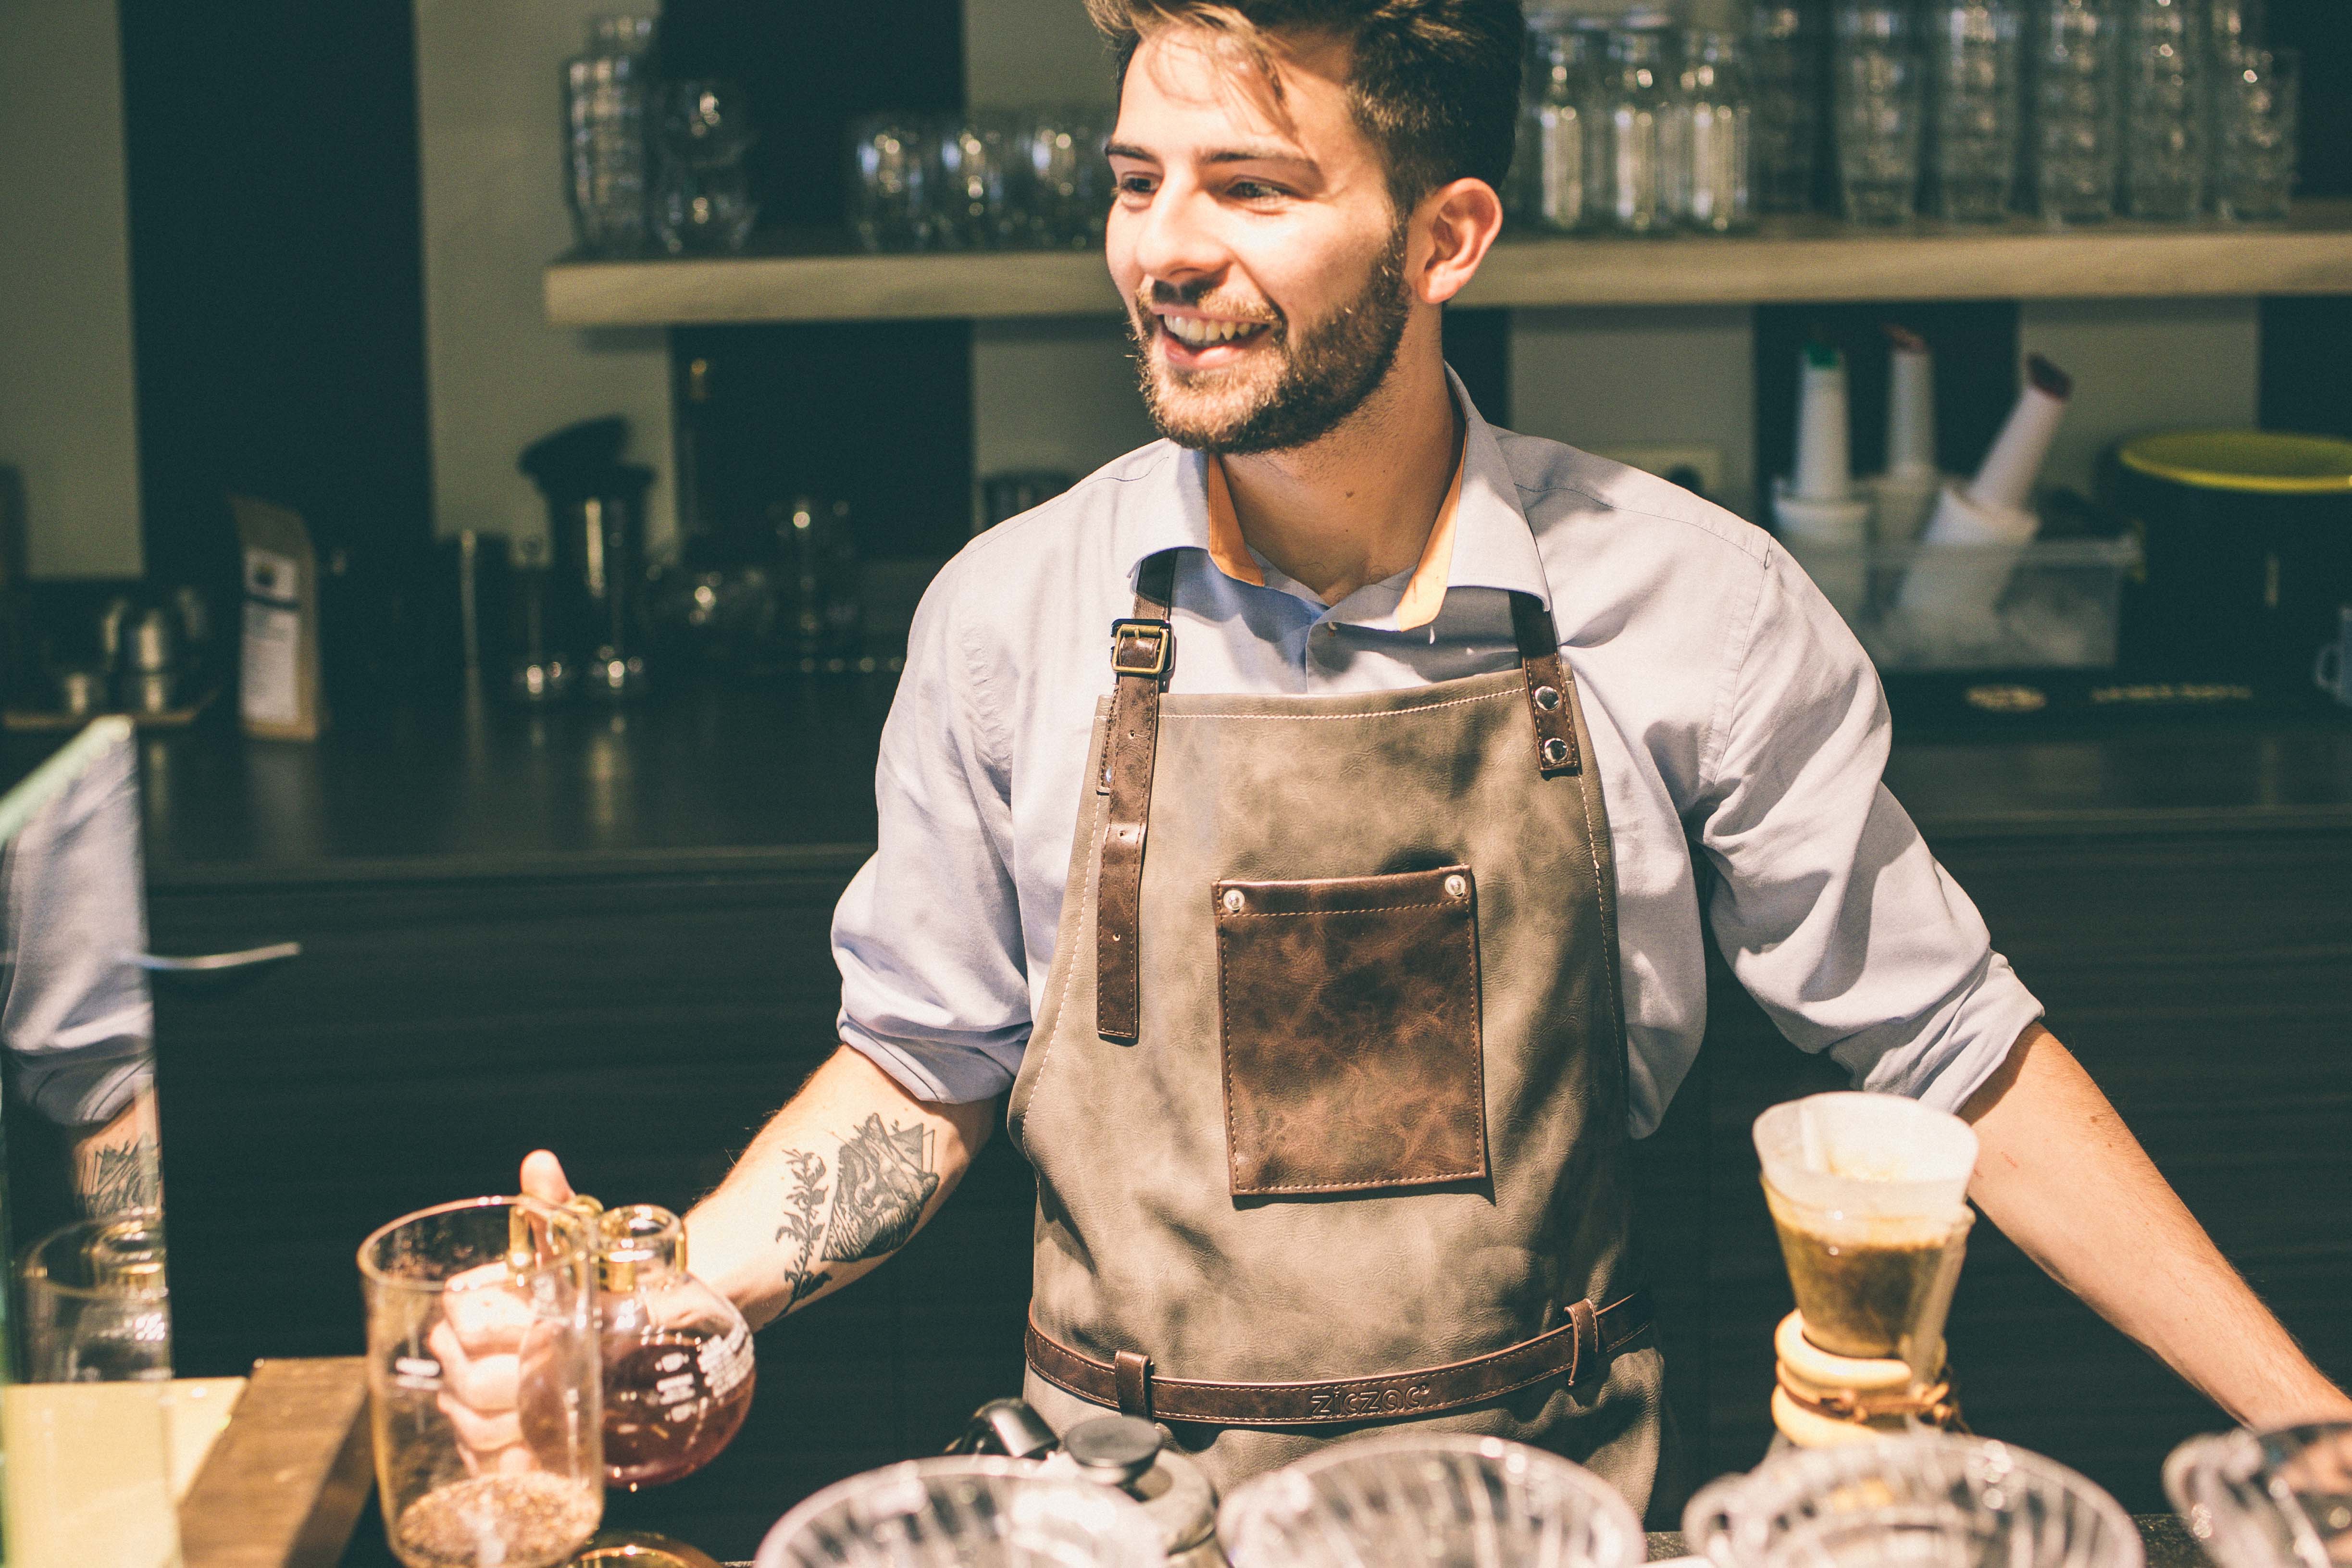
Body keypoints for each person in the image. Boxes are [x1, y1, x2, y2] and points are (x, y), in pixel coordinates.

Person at [471, 0, 2349, 1516]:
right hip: (1107, 1517)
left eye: (1252, 188)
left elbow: (1953, 1057)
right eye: (1137, 184)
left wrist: (2309, 1426)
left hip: (1523, 1513)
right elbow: (921, 1068)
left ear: (1447, 235)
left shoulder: (1698, 615)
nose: (1168, 252)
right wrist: (677, 1282)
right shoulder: (1009, 618)